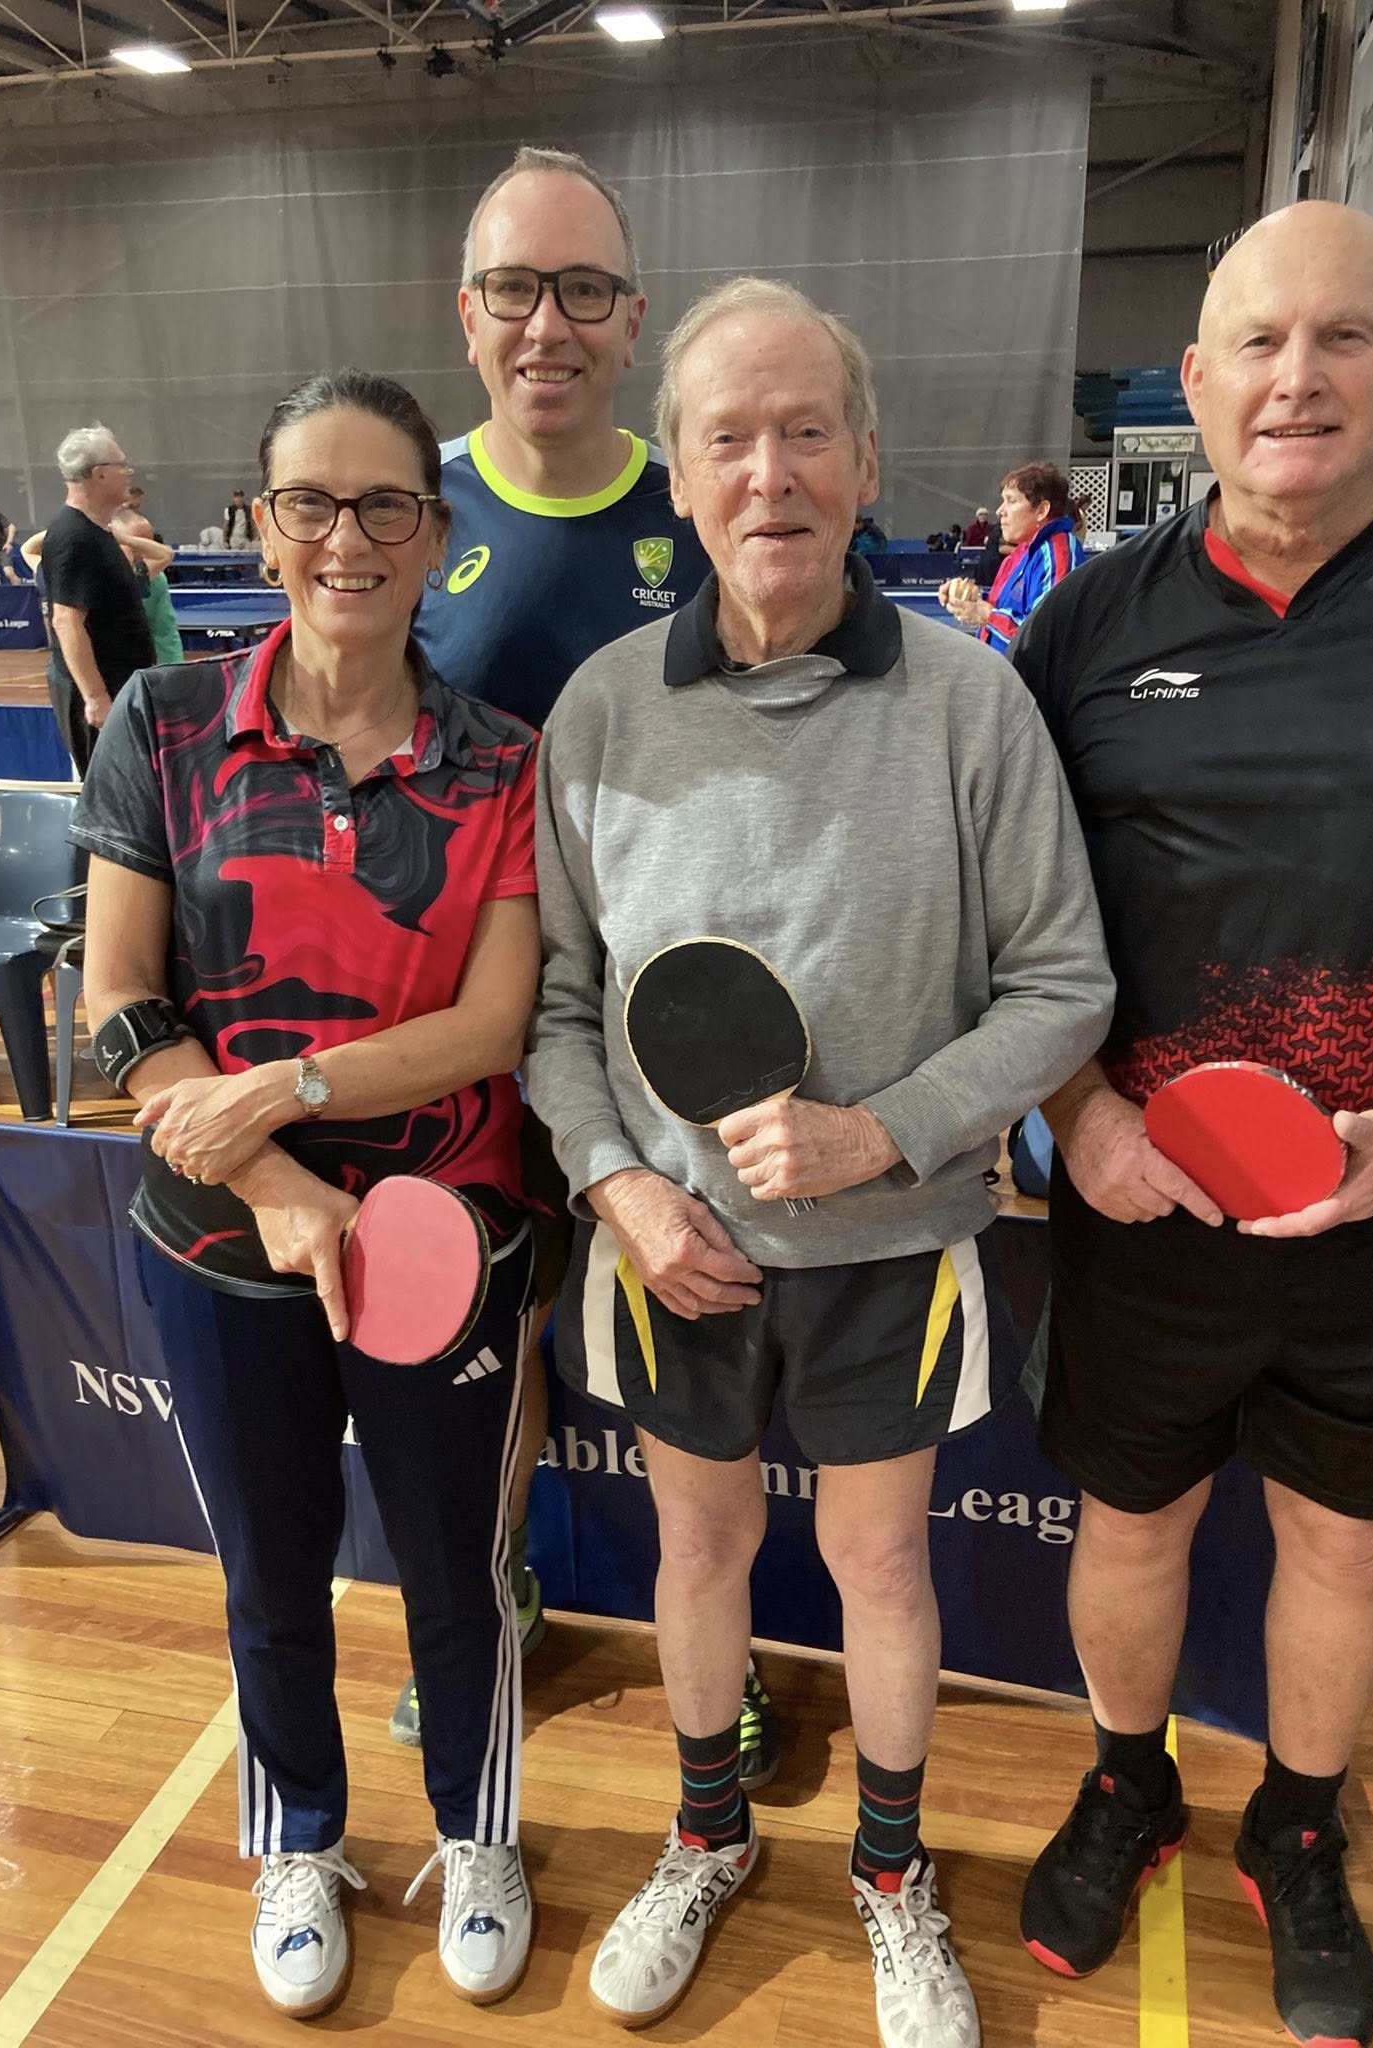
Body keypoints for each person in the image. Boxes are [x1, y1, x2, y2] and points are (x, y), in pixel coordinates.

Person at [526, 276, 1114, 2045]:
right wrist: (623, 1186)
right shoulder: (604, 710)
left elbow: (1065, 981)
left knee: (878, 1572)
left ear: (863, 464)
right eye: (728, 438)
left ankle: (887, 1874)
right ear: (681, 480)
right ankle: (704, 1835)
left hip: (893, 1244)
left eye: (805, 433)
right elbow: (557, 1007)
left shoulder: (969, 701)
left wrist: (890, 1127)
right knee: (695, 1560)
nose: (768, 472)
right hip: (671, 1252)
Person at [1010, 201, 1373, 2048]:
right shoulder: (1081, 629)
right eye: (1259, 345)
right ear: (1194, 382)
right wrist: (1076, 1110)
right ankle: (1128, 1779)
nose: (1298, 378)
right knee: (1129, 1530)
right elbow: (1011, 920)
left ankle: (1295, 1820)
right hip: (1142, 1207)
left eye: (1343, 338)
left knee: (1342, 1548)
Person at [71, 368, 543, 2019]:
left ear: (435, 533)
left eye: (386, 505)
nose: (349, 537)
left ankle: (482, 1833)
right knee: (268, 1568)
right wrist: (272, 1176)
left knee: (452, 1566)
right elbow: (119, 1004)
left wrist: (299, 1087)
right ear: (263, 527)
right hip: (221, 1240)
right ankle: (301, 1837)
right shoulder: (167, 723)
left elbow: (492, 1024)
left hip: (449, 1230)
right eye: (311, 503)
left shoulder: (500, 763)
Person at [398, 145, 796, 1779]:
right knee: (486, 1366)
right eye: (512, 287)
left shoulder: (694, 501)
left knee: (699, 1367)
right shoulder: (403, 508)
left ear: (631, 320)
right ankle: (489, 1613)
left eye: (580, 290)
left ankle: (728, 1657)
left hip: (668, 1037)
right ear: (467, 310)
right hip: (471, 1030)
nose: (543, 323)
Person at [39, 426, 156, 773]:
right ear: (99, 474)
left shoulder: (98, 531)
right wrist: (96, 698)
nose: (128, 473)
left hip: (122, 687)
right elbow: (66, 620)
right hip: (104, 697)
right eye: (122, 466)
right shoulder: (72, 536)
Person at [938, 463, 1085, 654]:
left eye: (1011, 501)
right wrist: (970, 599)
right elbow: (1005, 610)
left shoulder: (1058, 553)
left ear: (1041, 510)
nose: (1000, 511)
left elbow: (1046, 637)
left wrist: (985, 614)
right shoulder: (1021, 553)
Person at [114, 509, 183, 664]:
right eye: (137, 546)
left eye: (149, 545)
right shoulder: (92, 574)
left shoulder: (155, 579)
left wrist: (173, 670)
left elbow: (165, 632)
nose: (145, 554)